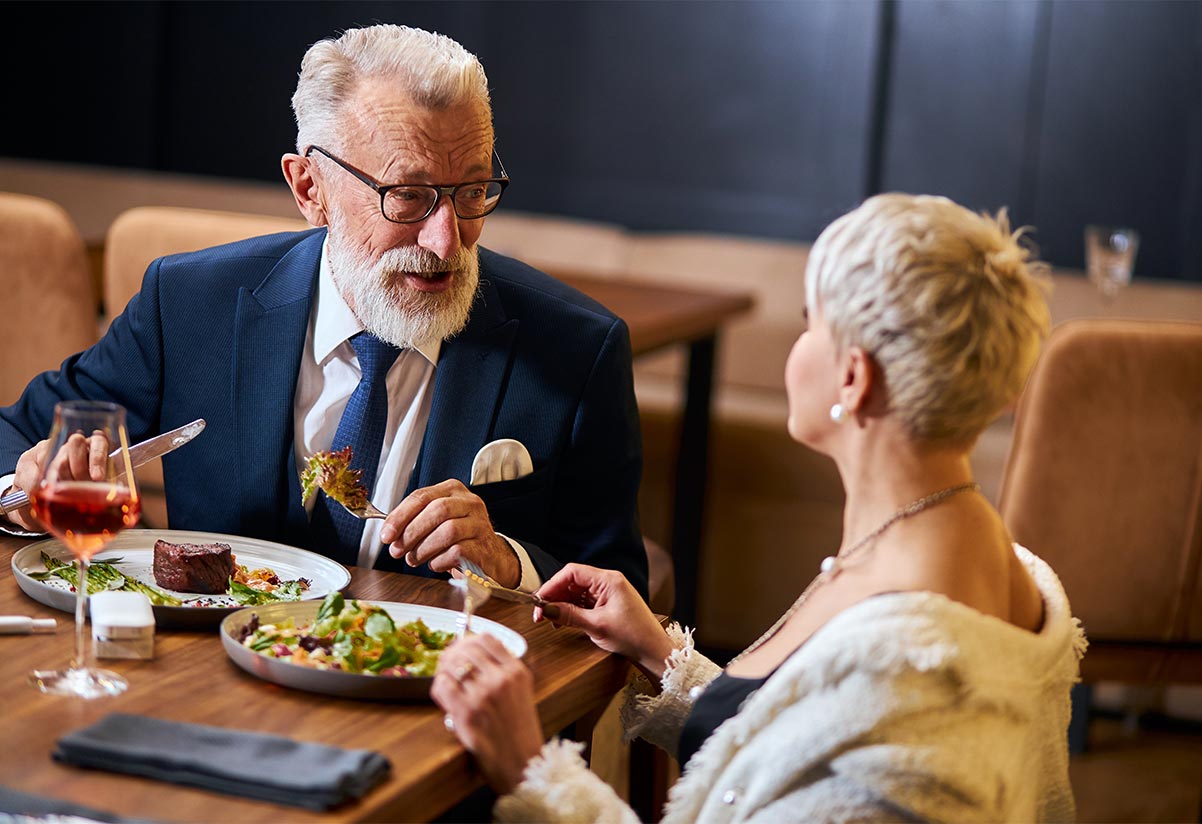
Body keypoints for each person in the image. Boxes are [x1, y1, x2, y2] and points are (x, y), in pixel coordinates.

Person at [431, 193, 1087, 822]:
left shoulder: (908, 667)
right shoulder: (980, 554)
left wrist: (529, 771)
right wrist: (662, 656)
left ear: (853, 379)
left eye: (810, 323)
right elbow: (810, 756)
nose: (798, 346)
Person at [0, 24, 647, 597]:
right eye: (409, 196)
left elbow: (622, 592)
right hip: (208, 692)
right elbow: (14, 440)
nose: (447, 240)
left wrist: (508, 565)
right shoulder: (189, 304)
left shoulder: (576, 351)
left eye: (473, 191)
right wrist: (26, 490)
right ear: (309, 189)